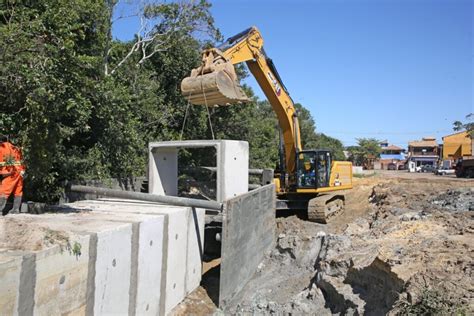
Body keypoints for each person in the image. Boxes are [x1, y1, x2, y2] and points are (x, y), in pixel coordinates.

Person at [0, 135, 25, 214]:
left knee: (4, 190)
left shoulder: (2, 147)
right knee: (18, 191)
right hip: (20, 171)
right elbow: (22, 160)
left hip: (10, 171)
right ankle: (16, 209)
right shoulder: (17, 148)